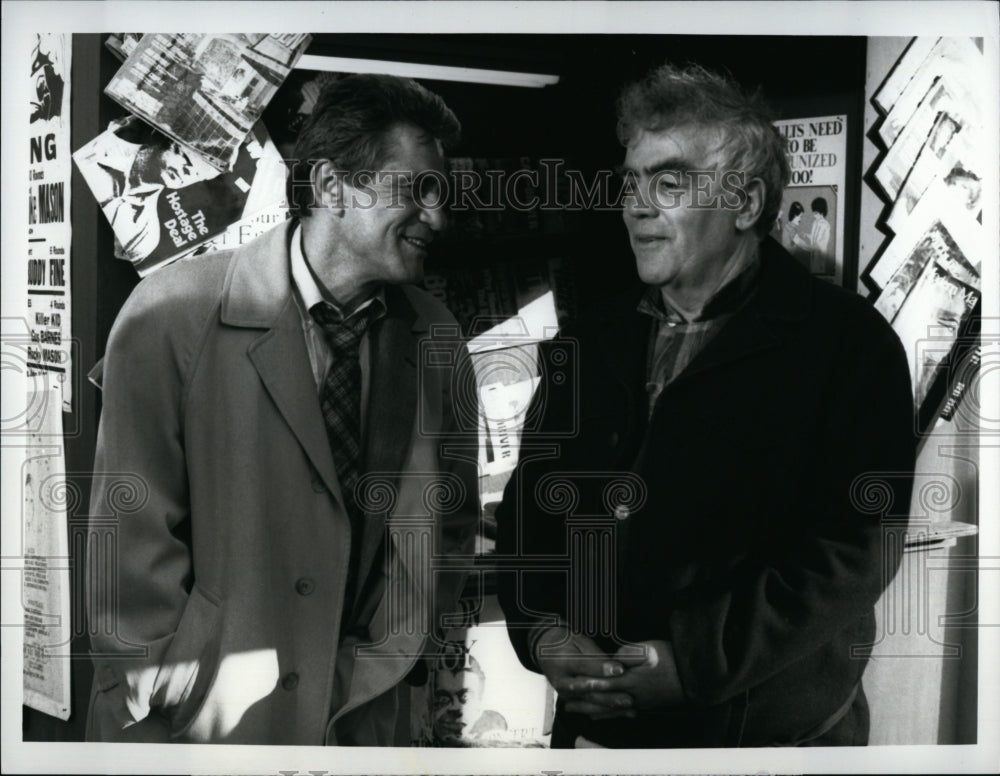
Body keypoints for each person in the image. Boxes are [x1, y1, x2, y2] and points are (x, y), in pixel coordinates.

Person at [496, 63, 916, 748]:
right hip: (600, 734)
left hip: (771, 739)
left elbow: (856, 550)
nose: (636, 206)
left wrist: (691, 662)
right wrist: (543, 632)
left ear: (745, 204)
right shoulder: (592, 338)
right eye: (631, 182)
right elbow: (529, 508)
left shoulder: (850, 346)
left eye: (668, 182)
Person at [86, 74, 478, 745]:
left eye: (440, 193)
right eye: (416, 190)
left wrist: (400, 658)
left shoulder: (436, 336)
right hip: (205, 726)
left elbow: (451, 526)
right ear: (330, 187)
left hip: (361, 722)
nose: (437, 217)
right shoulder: (168, 316)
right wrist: (160, 715)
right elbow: (130, 553)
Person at [74, 116, 220, 261]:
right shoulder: (97, 152)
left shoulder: (146, 234)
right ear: (162, 140)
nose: (188, 172)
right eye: (185, 158)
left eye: (198, 174)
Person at [431, 652, 508, 746]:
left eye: (465, 696)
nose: (455, 708)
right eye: (443, 699)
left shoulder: (496, 730)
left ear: (480, 700)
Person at [808, 196, 833, 273]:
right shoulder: (814, 223)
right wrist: (807, 235)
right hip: (813, 252)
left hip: (820, 254)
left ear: (821, 212)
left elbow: (821, 241)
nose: (814, 215)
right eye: (813, 213)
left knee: (819, 270)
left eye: (815, 213)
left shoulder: (826, 225)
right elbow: (813, 237)